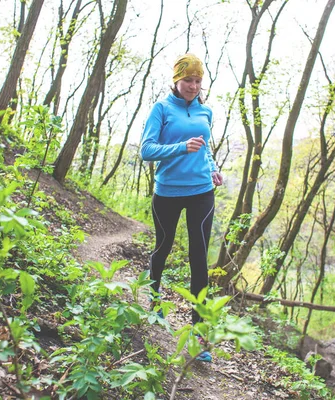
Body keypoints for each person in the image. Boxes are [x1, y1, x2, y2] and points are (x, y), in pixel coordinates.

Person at [140, 53, 223, 362]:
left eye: (198, 80)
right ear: (176, 80)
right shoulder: (161, 109)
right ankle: (154, 296)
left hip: (202, 190)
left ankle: (200, 338)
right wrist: (180, 147)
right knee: (162, 247)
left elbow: (205, 147)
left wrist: (212, 167)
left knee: (199, 258)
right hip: (168, 191)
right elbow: (147, 151)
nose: (193, 86)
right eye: (188, 80)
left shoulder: (206, 112)